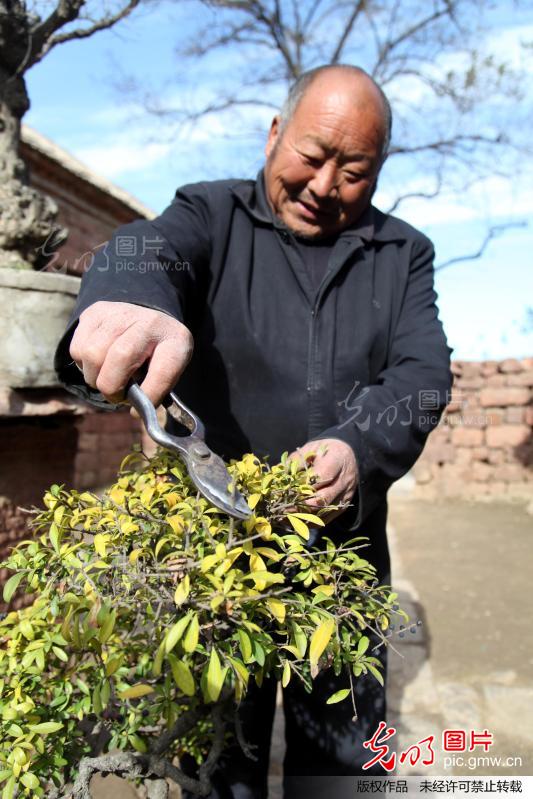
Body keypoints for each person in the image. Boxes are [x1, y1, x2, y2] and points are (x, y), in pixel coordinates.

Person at [55, 64, 453, 798]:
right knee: (212, 758)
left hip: (342, 557)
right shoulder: (210, 214)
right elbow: (145, 249)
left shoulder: (402, 255)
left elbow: (423, 373)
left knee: (338, 762)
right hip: (213, 552)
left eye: (354, 169)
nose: (324, 184)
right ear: (274, 133)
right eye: (312, 154)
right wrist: (128, 300)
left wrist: (357, 448)